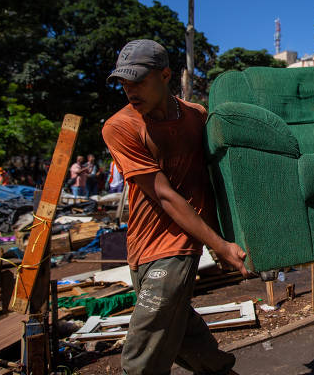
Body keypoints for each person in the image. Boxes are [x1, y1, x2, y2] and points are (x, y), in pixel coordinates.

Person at [102, 39, 246, 375]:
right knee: (181, 333)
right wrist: (220, 246)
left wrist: (227, 237)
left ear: (165, 74)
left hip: (178, 244)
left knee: (144, 346)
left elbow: (216, 178)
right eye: (123, 81)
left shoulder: (196, 116)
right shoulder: (121, 126)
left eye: (138, 80)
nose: (129, 89)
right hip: (143, 244)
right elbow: (163, 194)